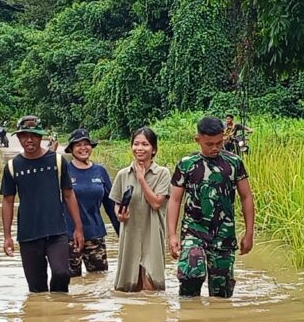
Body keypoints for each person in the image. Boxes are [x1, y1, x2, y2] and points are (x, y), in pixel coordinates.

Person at [167, 115, 255, 298]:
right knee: (191, 274)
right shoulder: (186, 164)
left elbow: (246, 196)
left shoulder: (234, 163)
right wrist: (172, 235)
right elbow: (174, 200)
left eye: (219, 142)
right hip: (193, 229)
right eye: (209, 144)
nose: (215, 148)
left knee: (221, 292)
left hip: (224, 232)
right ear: (198, 140)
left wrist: (249, 233)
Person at [1, 115, 85, 293]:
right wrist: (7, 236)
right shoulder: (12, 166)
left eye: (33, 135)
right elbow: (7, 201)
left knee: (62, 273)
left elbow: (69, 195)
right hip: (28, 235)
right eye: (24, 135)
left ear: (41, 137)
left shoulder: (57, 161)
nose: (29, 140)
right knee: (36, 289)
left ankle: (60, 312)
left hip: (56, 233)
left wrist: (78, 228)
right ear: (19, 137)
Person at [110, 127, 171, 292]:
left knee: (152, 286)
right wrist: (119, 214)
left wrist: (141, 179)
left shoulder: (162, 174)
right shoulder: (123, 174)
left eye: (145, 144)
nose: (139, 148)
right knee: (130, 287)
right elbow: (117, 202)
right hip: (130, 233)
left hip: (152, 234)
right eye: (136, 144)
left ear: (154, 149)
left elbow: (156, 203)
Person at [64, 129, 120, 276]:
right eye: (78, 145)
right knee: (71, 282)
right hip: (69, 237)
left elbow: (111, 205)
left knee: (99, 280)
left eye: (86, 144)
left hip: (95, 235)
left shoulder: (100, 171)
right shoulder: (64, 171)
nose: (83, 148)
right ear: (71, 149)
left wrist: (122, 233)